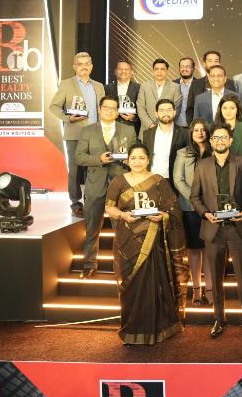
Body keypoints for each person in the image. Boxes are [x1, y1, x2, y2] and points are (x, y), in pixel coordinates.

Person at [104, 143, 188, 345]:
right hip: (127, 242)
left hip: (153, 240)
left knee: (154, 284)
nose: (137, 162)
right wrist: (123, 215)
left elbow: (173, 210)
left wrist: (163, 216)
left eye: (141, 158)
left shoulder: (159, 181)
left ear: (148, 159)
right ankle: (131, 330)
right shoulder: (118, 181)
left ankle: (157, 329)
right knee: (130, 284)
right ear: (127, 160)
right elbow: (109, 208)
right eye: (133, 158)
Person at [190, 123, 242, 339]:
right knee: (215, 278)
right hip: (213, 229)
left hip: (238, 228)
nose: (220, 141)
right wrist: (205, 214)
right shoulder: (202, 165)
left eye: (223, 138)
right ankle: (219, 319)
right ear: (211, 142)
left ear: (230, 140)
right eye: (216, 138)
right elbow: (194, 197)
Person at [74, 95, 136, 279]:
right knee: (92, 228)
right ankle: (89, 264)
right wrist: (98, 159)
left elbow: (136, 155)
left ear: (117, 112)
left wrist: (129, 160)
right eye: (106, 107)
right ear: (99, 109)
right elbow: (79, 157)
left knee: (123, 228)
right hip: (95, 186)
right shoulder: (87, 131)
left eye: (113, 108)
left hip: (120, 186)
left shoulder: (128, 130)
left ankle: (125, 265)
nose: (109, 111)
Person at [49, 51, 105, 215]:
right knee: (75, 171)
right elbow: (54, 107)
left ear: (91, 66)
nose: (84, 67)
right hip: (74, 134)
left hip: (95, 135)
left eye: (87, 64)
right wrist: (68, 118)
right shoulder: (66, 84)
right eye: (80, 64)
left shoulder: (99, 86)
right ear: (74, 66)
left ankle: (90, 202)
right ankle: (75, 204)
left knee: (93, 170)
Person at [172, 119, 211, 305]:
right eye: (196, 130)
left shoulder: (215, 151)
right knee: (194, 250)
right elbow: (178, 179)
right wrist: (195, 200)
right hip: (189, 207)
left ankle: (210, 289)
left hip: (211, 208)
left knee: (209, 250)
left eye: (203, 130)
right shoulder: (183, 153)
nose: (200, 133)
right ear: (191, 133)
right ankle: (196, 289)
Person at [141, 99, 189, 187]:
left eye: (169, 110)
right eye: (162, 110)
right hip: (151, 179)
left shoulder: (185, 133)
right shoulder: (147, 134)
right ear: (156, 114)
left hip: (175, 181)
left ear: (174, 112)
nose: (166, 113)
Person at [186, 50, 239, 123]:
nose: (213, 63)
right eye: (210, 61)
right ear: (204, 63)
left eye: (216, 61)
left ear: (219, 63)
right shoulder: (195, 84)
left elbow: (237, 109)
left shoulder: (230, 83)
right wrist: (193, 127)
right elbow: (190, 110)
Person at [137, 59, 183, 134]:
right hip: (147, 129)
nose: (159, 72)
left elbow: (177, 108)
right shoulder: (144, 86)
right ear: (153, 71)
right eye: (156, 69)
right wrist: (150, 124)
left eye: (162, 69)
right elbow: (140, 108)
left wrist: (164, 124)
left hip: (167, 129)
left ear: (167, 71)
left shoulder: (175, 87)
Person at [104, 59, 140, 135]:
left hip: (132, 129)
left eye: (126, 69)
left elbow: (142, 108)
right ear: (115, 71)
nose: (123, 71)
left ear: (131, 72)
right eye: (120, 69)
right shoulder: (107, 88)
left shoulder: (139, 88)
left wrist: (134, 116)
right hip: (111, 128)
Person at [174, 56, 196, 127]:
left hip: (193, 126)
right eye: (182, 66)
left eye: (188, 66)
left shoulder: (200, 85)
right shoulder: (173, 84)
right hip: (175, 126)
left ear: (193, 68)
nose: (184, 69)